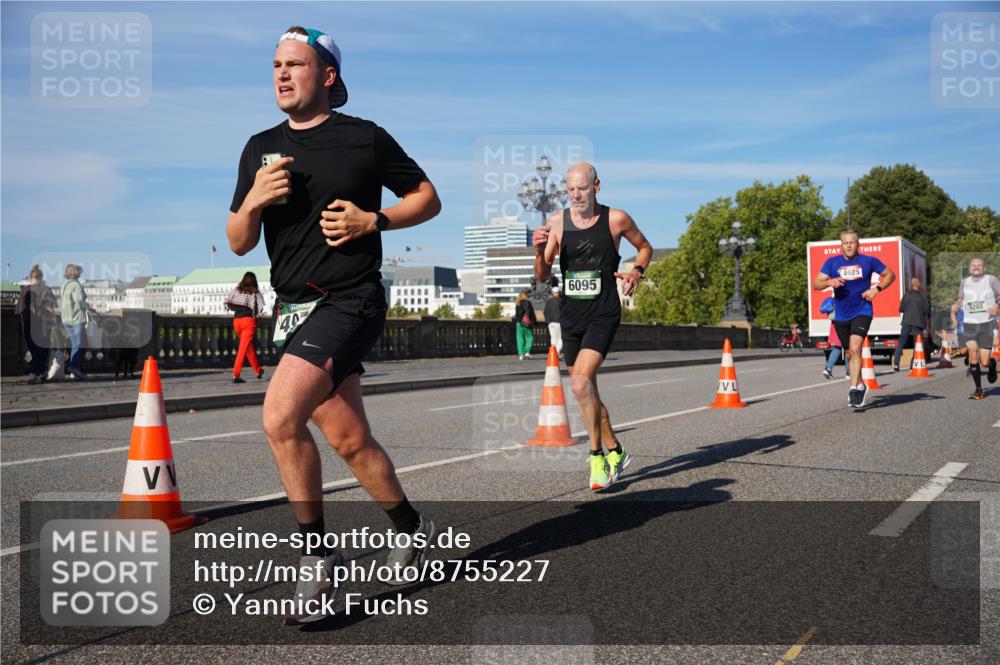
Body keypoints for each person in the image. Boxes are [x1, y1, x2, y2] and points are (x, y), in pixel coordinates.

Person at [226, 26, 441, 624]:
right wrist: (254, 201)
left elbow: (428, 197)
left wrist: (376, 221)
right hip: (292, 309)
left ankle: (317, 557)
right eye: (276, 65)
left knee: (279, 417)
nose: (282, 74)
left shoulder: (363, 137)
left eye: (295, 64)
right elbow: (239, 242)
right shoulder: (259, 147)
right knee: (349, 440)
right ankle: (413, 529)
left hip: (350, 299)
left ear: (327, 76)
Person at [533, 162, 652, 491]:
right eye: (570, 189)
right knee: (587, 391)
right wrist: (538, 251)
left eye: (582, 188)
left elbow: (645, 247)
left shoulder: (616, 219)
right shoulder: (557, 222)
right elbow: (542, 275)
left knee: (580, 383)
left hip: (603, 313)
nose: (575, 195)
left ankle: (597, 457)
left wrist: (637, 271)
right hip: (571, 316)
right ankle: (617, 450)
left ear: (596, 186)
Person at [813, 230, 895, 408]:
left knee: (856, 347)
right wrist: (829, 282)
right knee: (849, 353)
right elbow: (816, 283)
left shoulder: (869, 261)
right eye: (846, 243)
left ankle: (853, 389)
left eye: (852, 242)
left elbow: (890, 275)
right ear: (841, 245)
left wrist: (876, 289)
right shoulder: (832, 262)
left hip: (862, 310)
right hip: (841, 314)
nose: (849, 245)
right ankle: (861, 385)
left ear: (858, 244)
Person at [951, 257, 1000, 400]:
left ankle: (991, 365)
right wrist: (956, 306)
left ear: (984, 268)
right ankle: (979, 391)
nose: (976, 267)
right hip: (969, 323)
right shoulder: (964, 282)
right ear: (969, 268)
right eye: (973, 265)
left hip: (987, 323)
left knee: (984, 361)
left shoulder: (991, 280)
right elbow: (961, 299)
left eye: (979, 265)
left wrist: (997, 306)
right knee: (972, 354)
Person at [15, 265, 57, 384]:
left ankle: (36, 373)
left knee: (35, 349)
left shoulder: (25, 290)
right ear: (41, 277)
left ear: (30, 277)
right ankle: (36, 372)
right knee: (41, 349)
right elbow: (52, 310)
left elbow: (19, 310)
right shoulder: (45, 289)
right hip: (42, 324)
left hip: (28, 323)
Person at [226, 271, 267, 383]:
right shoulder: (255, 292)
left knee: (248, 347)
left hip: (237, 321)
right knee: (243, 348)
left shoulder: (237, 290)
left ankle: (258, 370)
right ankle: (236, 374)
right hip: (248, 322)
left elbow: (229, 302)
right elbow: (260, 308)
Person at [60, 263, 90, 380]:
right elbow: (79, 301)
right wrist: (86, 307)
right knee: (80, 344)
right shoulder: (76, 285)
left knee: (75, 343)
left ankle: (74, 369)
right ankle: (74, 367)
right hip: (76, 318)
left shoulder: (64, 285)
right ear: (76, 273)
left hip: (66, 318)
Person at [893, 277, 930, 371]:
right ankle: (913, 364)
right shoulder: (922, 296)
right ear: (918, 284)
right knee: (917, 344)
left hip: (906, 322)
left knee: (901, 342)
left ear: (912, 284)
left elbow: (901, 309)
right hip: (918, 323)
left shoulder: (906, 295)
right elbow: (927, 311)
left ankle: (896, 363)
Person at [820, 297, 848, 379]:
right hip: (845, 323)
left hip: (835, 324)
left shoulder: (836, 296)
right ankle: (849, 372)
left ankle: (828, 369)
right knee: (848, 347)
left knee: (838, 347)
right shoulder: (847, 296)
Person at [513, 291, 537, 360]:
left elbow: (517, 314)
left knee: (519, 338)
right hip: (526, 323)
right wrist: (534, 322)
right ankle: (526, 352)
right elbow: (531, 313)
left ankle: (521, 354)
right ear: (525, 296)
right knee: (529, 338)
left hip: (518, 323)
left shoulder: (517, 303)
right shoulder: (527, 303)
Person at [544, 285, 563, 358]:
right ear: (559, 293)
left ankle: (554, 353)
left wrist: (548, 320)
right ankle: (556, 353)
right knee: (561, 338)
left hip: (550, 323)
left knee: (553, 338)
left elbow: (545, 312)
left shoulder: (548, 301)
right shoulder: (561, 301)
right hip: (559, 322)